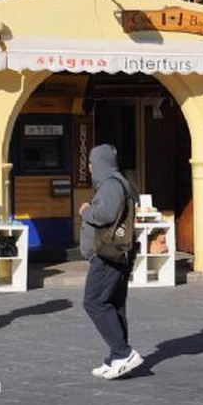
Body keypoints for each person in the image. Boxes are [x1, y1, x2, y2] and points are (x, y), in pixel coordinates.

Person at [80, 143, 144, 380]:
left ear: (99, 164)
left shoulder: (109, 185)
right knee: (114, 304)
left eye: (91, 162)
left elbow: (104, 215)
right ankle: (118, 358)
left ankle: (123, 352)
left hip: (108, 253)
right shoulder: (119, 182)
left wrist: (86, 211)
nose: (88, 167)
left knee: (94, 301)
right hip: (118, 251)